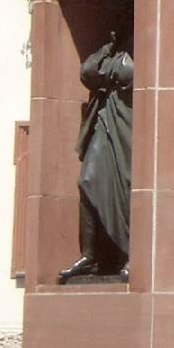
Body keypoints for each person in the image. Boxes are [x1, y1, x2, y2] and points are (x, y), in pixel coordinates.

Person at [57, 25, 132, 283]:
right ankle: (90, 255)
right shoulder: (114, 51)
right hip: (106, 123)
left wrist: (109, 68)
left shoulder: (140, 49)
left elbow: (127, 74)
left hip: (129, 128)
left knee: (126, 187)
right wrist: (108, 48)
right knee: (87, 180)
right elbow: (88, 72)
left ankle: (130, 253)